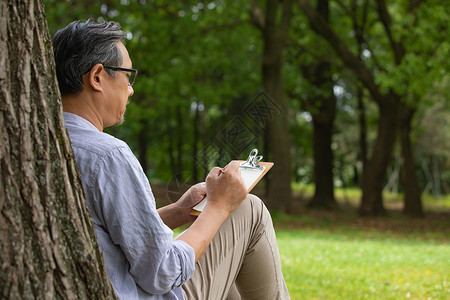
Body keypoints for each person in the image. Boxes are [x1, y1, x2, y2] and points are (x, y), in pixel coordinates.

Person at [52, 19, 290, 300]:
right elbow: (162, 271)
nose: (131, 89)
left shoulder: (47, 146)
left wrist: (178, 210)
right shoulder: (107, 156)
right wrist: (218, 206)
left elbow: (111, 237)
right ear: (97, 76)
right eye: (128, 75)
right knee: (249, 209)